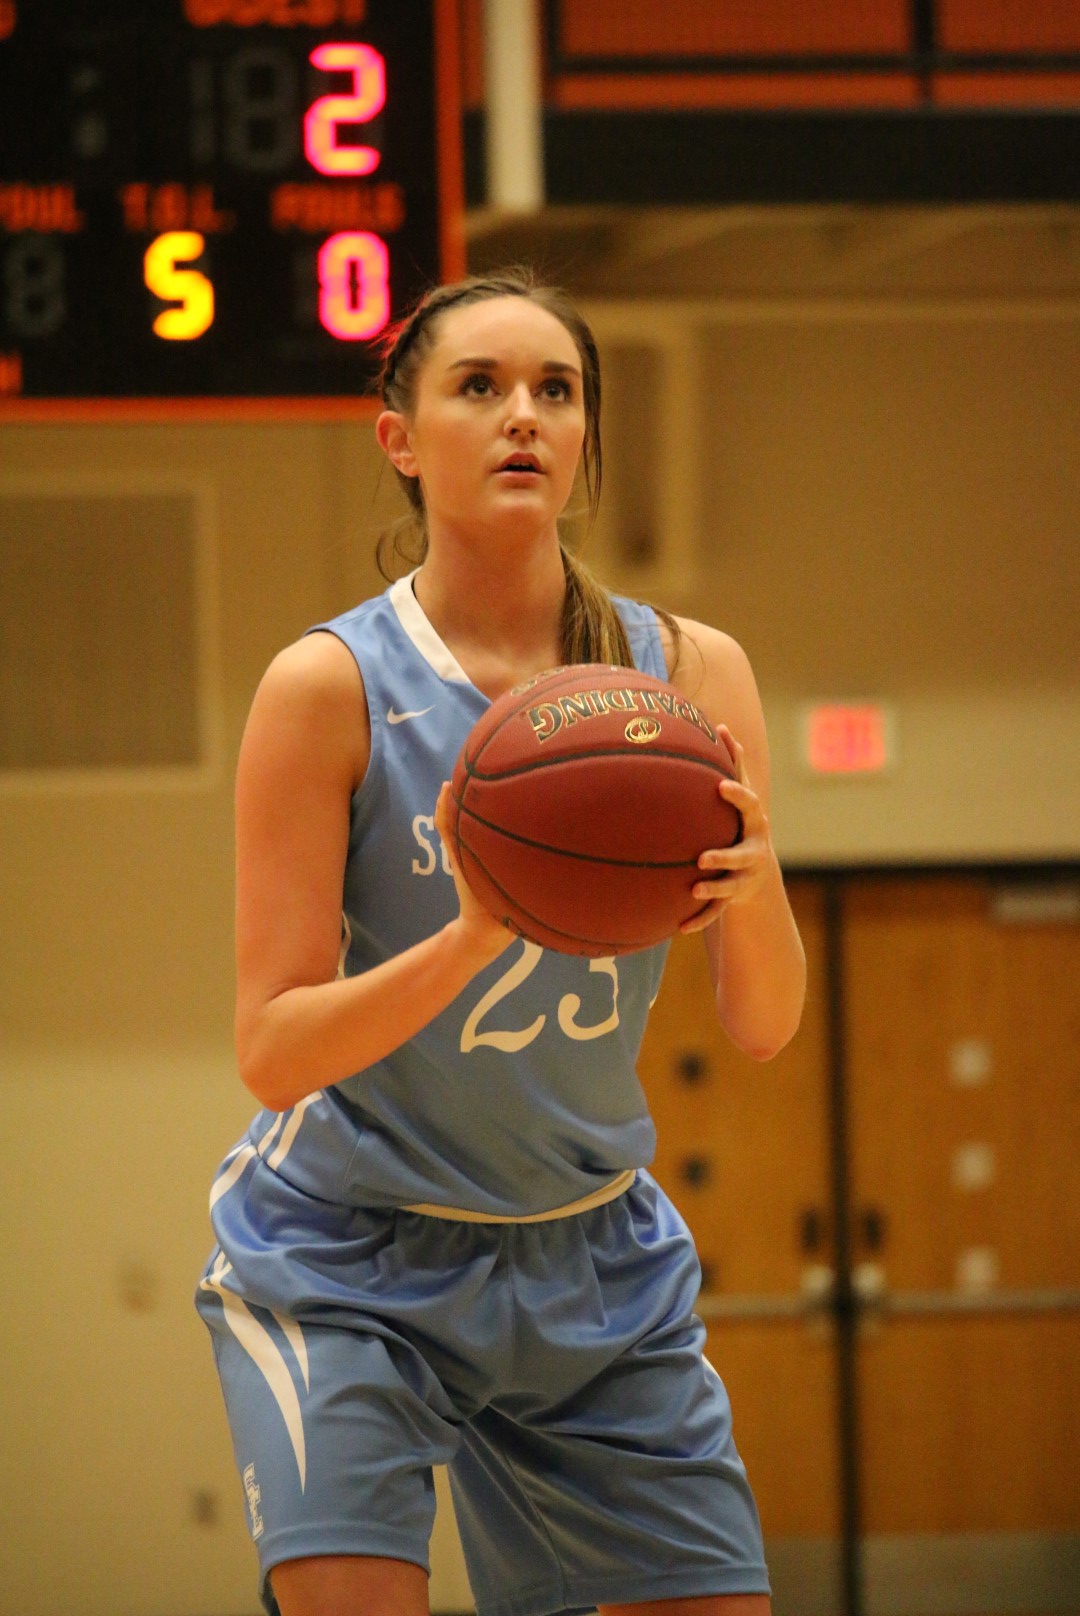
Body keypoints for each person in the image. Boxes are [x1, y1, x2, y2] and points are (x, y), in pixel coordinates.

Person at [196, 268, 806, 1616]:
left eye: (557, 390)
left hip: (590, 1251)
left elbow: (763, 1026)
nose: (524, 414)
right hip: (349, 1252)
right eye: (480, 387)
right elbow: (272, 1050)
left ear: (585, 435)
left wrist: (756, 877)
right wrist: (476, 934)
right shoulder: (329, 687)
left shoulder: (687, 675)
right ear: (401, 439)